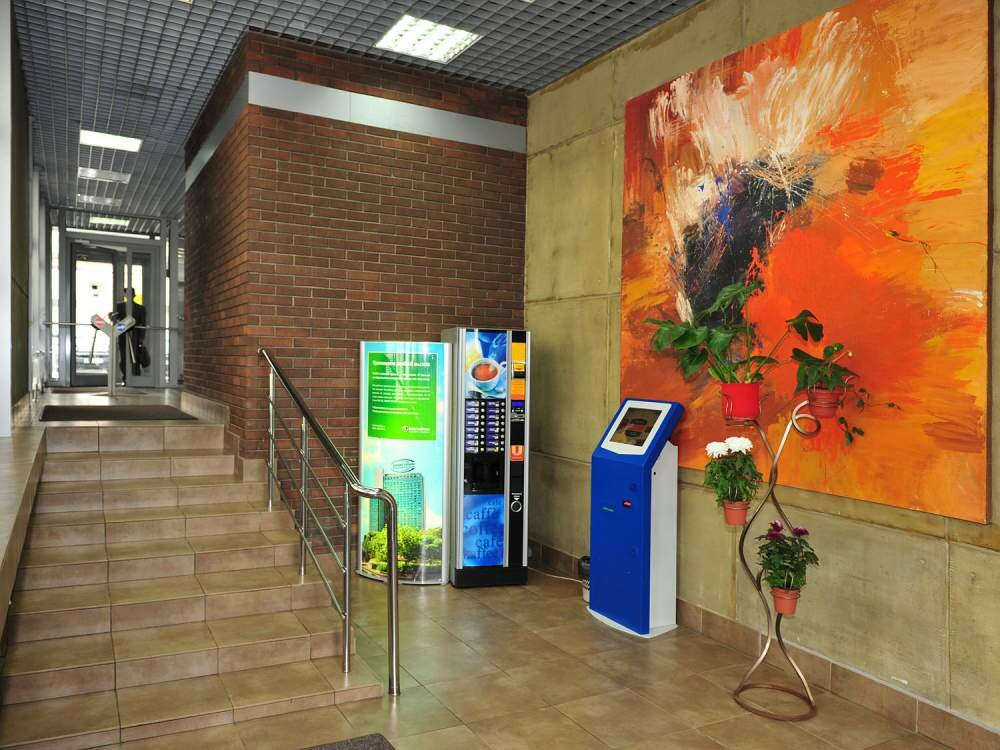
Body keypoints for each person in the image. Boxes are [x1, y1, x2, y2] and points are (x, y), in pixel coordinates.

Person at [111, 289, 146, 383]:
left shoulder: (141, 308)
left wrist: (141, 340)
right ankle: (126, 377)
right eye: (127, 294)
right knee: (124, 357)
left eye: (131, 294)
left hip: (135, 336)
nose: (129, 296)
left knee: (135, 358)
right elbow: (115, 319)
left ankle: (136, 378)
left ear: (134, 295)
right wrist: (113, 317)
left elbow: (143, 325)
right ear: (125, 295)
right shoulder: (119, 307)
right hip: (123, 335)